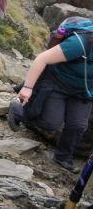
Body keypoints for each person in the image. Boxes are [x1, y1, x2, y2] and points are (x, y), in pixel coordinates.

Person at [7, 29, 93, 173]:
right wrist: (28, 87)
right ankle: (18, 111)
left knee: (78, 125)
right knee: (50, 123)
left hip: (83, 90)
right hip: (57, 82)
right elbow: (42, 59)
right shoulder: (79, 44)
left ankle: (62, 157)